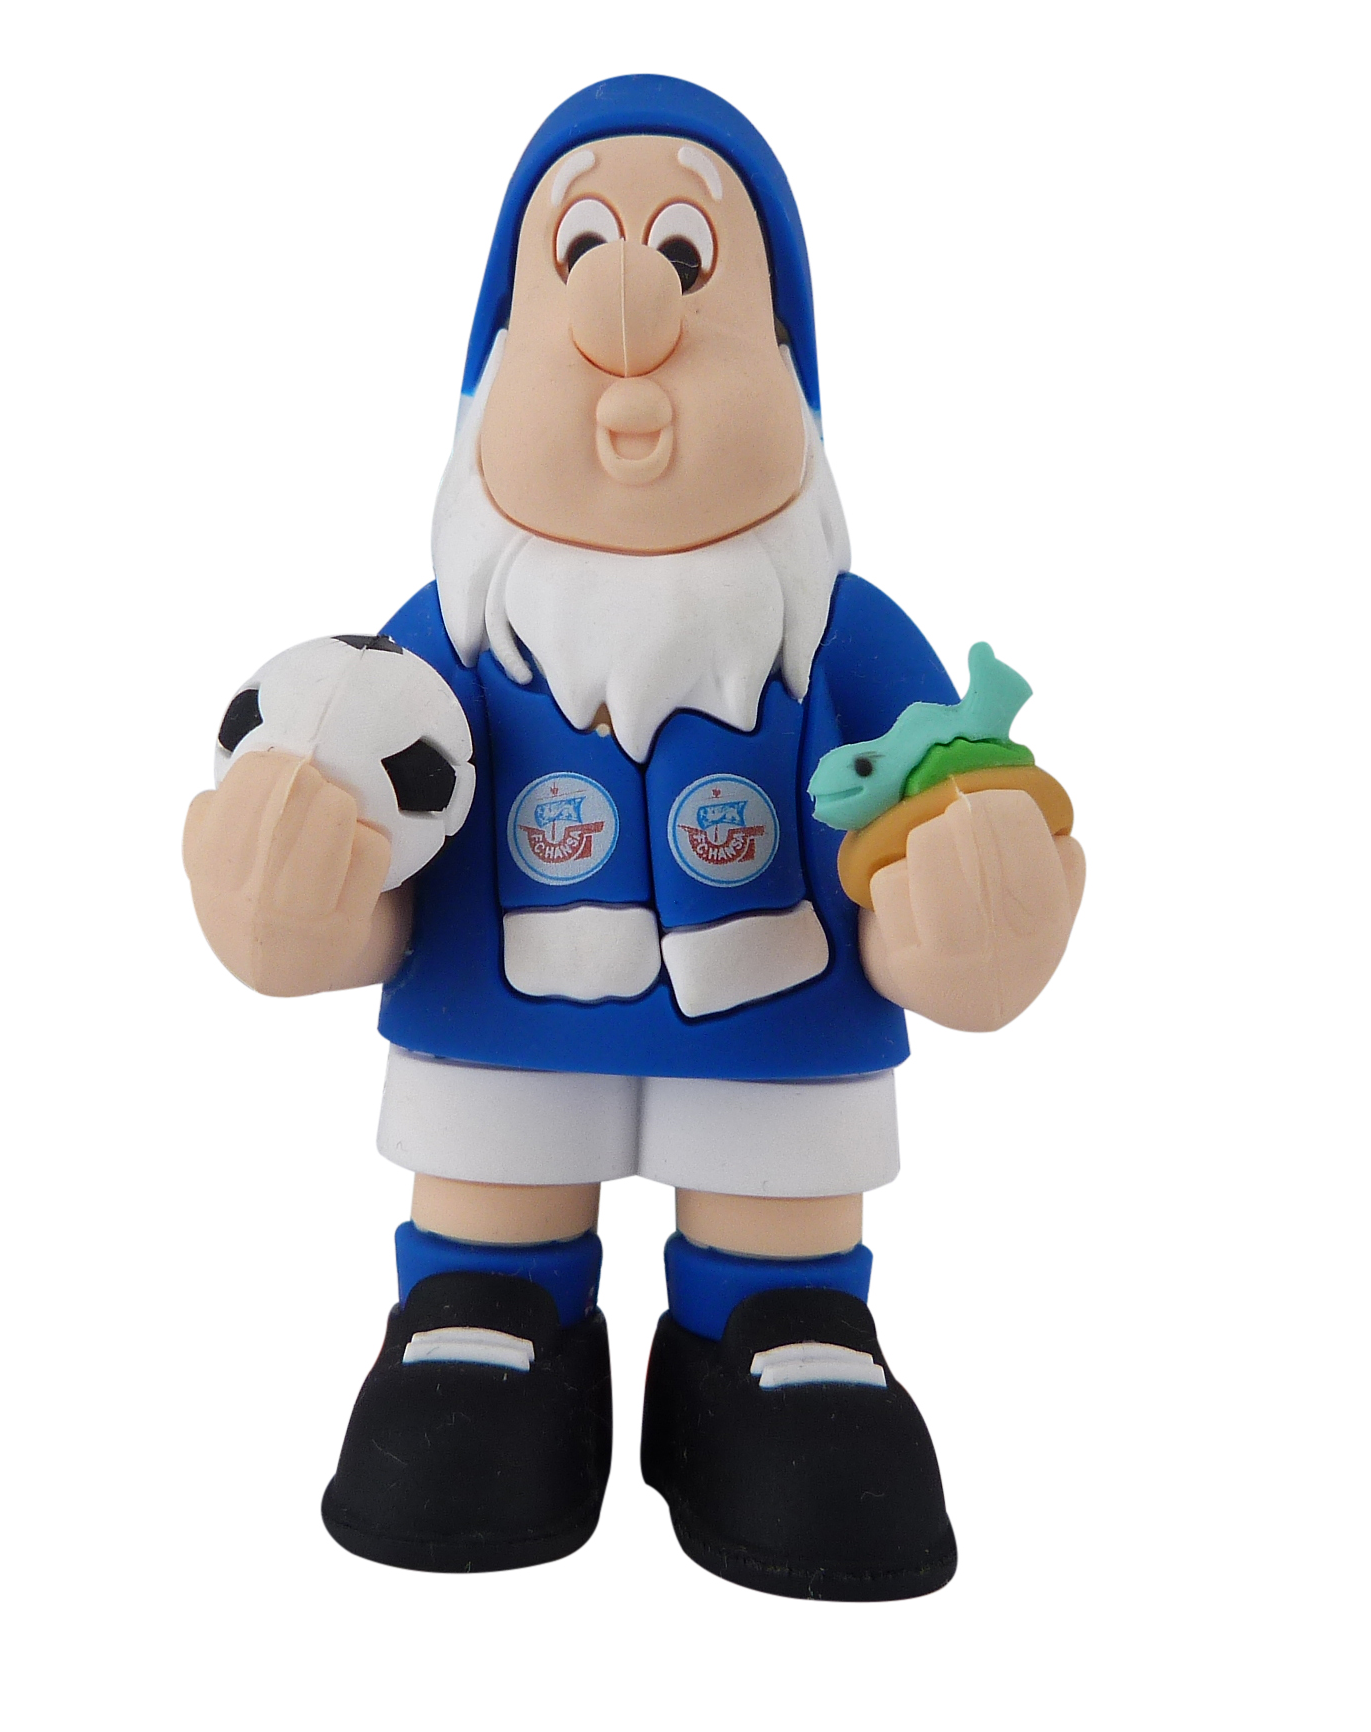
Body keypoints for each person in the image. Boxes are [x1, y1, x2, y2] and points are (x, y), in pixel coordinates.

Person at [184, 75, 1084, 1600]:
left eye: (684, 260)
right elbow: (385, 870)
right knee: (481, 1259)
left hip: (781, 1035)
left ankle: (774, 1330)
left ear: (789, 366)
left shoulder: (839, 636)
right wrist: (298, 907)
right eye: (582, 256)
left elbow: (938, 788)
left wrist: (971, 914)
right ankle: (489, 1315)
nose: (631, 321)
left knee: (787, 1281)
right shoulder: (441, 649)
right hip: (499, 1043)